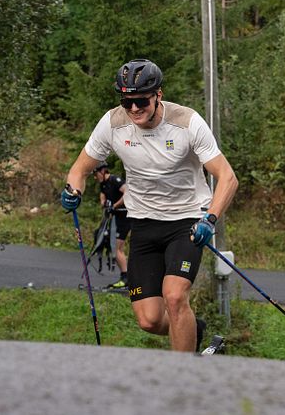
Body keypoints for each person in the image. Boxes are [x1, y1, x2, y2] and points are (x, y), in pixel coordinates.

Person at [61, 59, 238, 352]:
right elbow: (79, 170)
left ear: (158, 94)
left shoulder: (186, 122)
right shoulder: (113, 123)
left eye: (140, 101)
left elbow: (227, 178)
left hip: (188, 222)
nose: (133, 109)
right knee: (150, 320)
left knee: (175, 296)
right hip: (143, 224)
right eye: (126, 102)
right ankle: (193, 330)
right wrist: (73, 191)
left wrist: (210, 218)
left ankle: (182, 379)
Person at [92, 161, 131, 289]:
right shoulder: (103, 184)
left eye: (95, 173)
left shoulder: (115, 180)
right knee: (113, 246)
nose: (94, 177)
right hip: (116, 218)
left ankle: (126, 278)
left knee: (117, 248)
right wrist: (104, 203)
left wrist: (114, 206)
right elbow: (103, 194)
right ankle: (126, 276)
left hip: (125, 216)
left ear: (102, 171)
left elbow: (128, 193)